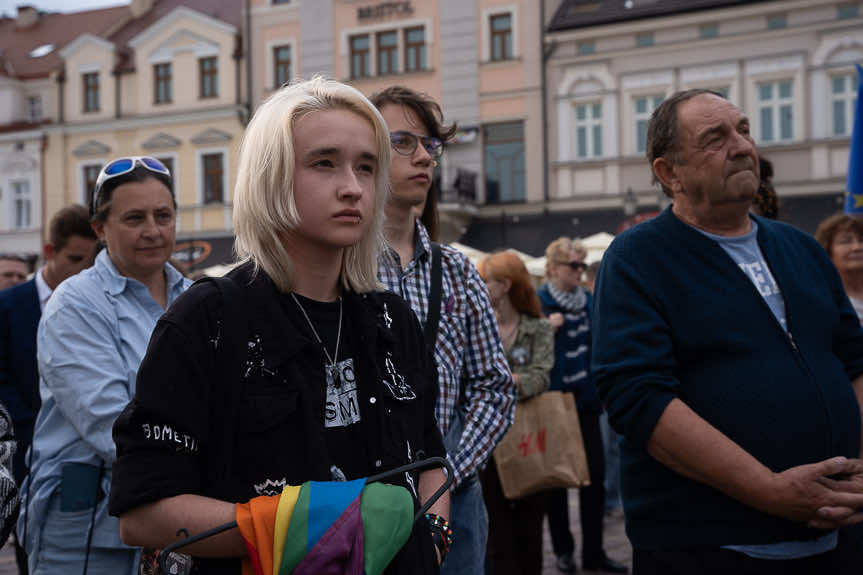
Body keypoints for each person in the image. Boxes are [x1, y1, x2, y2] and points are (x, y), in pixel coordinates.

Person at [109, 77, 450, 575]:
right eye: (324, 162)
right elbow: (142, 516)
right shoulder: (208, 321)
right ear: (271, 175)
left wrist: (432, 541)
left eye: (367, 167)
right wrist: (308, 530)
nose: (352, 187)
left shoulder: (392, 320)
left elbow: (430, 462)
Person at [593, 89, 863, 574]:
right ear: (668, 173)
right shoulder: (638, 258)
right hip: (708, 550)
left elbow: (855, 362)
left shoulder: (801, 248)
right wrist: (770, 490)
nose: (741, 146)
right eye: (715, 138)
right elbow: (639, 398)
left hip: (837, 543)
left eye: (743, 130)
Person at [17, 157, 189, 575]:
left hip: (174, 523)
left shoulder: (194, 297)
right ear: (100, 228)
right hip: (86, 532)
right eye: (134, 218)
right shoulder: (75, 304)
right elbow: (111, 424)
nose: (152, 230)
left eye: (162, 215)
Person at [373, 85, 516, 575]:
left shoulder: (456, 270)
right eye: (404, 142)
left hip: (457, 498)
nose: (425, 158)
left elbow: (494, 388)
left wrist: (448, 473)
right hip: (365, 499)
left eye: (431, 146)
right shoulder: (340, 268)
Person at [0, 204, 98, 575]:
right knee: (30, 548)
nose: (84, 271)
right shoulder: (8, 306)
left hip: (84, 460)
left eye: (90, 261)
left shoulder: (96, 305)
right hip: (23, 455)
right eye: (75, 259)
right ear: (49, 253)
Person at [538, 237, 627, 574]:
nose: (579, 271)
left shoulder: (589, 301)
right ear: (553, 268)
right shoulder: (539, 302)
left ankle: (594, 553)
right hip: (553, 401)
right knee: (557, 482)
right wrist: (548, 328)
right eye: (573, 265)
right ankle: (563, 551)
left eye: (582, 264)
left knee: (595, 479)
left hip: (588, 402)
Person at [476, 251, 553, 575]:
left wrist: (504, 381)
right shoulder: (481, 325)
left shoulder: (538, 328)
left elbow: (541, 376)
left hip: (529, 439)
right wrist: (512, 380)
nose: (480, 286)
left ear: (505, 285)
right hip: (489, 441)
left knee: (530, 525)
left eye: (486, 281)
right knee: (495, 526)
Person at [816, 214, 863, 322]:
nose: (857, 247)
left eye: (861, 240)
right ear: (828, 251)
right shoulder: (822, 298)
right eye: (845, 241)